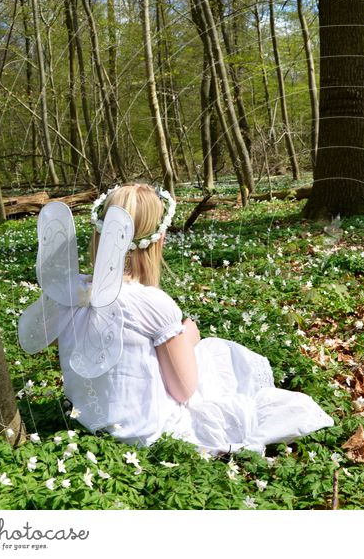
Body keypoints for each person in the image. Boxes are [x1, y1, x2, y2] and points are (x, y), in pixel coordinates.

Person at [49, 183, 334, 455]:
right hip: (148, 432)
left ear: (99, 234)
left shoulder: (69, 291)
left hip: (87, 420)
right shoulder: (152, 303)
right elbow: (183, 390)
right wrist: (187, 337)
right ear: (158, 240)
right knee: (220, 356)